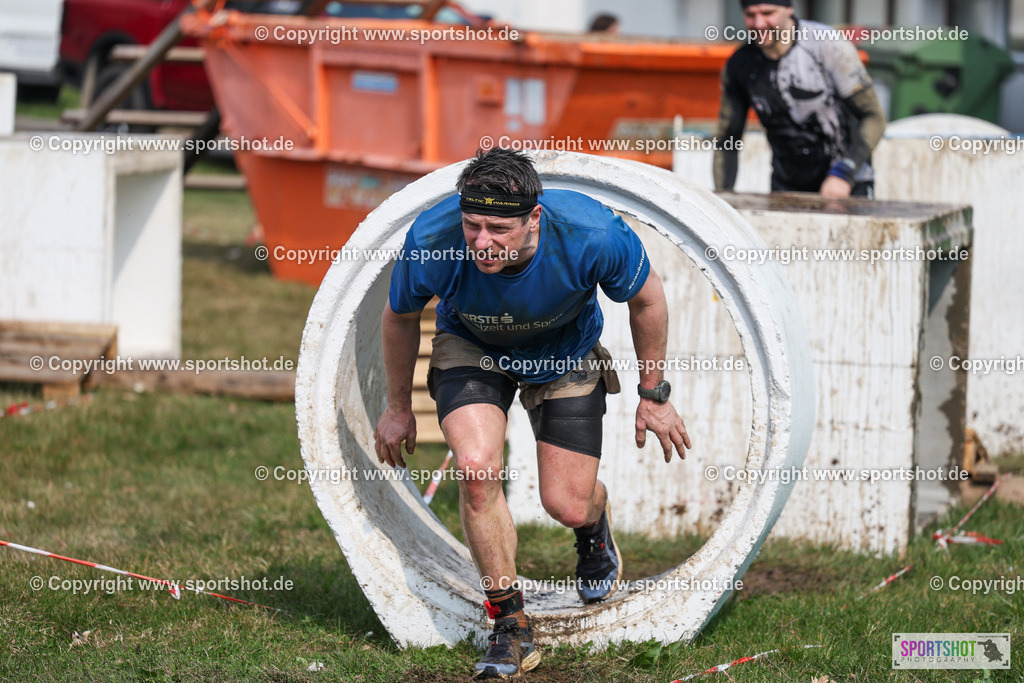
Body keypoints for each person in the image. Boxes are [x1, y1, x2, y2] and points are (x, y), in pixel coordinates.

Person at [374, 148, 691, 679]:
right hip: (472, 347)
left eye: (498, 228)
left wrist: (653, 395)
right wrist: (397, 407)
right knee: (476, 469)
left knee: (565, 503)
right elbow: (399, 316)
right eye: (472, 225)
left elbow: (648, 300)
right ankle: (510, 627)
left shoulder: (592, 232)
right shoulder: (433, 239)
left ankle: (593, 526)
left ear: (533, 219)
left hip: (565, 352)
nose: (481, 242)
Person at [714, 0, 887, 197]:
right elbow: (727, 139)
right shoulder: (741, 64)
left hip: (848, 184)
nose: (759, 24)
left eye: (768, 13)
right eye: (750, 15)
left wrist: (844, 173)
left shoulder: (827, 45)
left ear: (789, 9)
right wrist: (723, 198)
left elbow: (874, 117)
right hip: (787, 188)